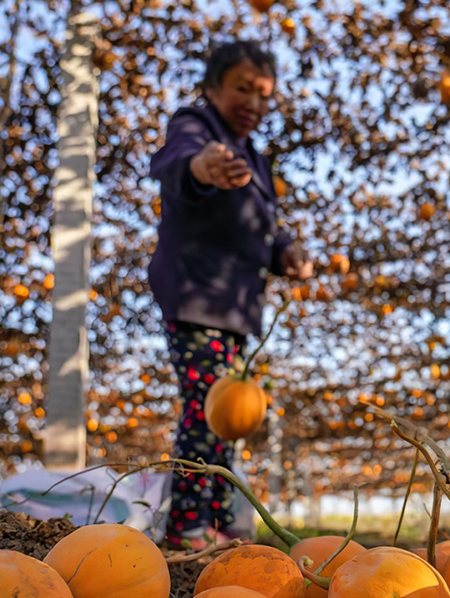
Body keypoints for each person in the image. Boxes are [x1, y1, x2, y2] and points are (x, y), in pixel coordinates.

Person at [148, 40, 312, 549]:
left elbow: (265, 227)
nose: (254, 103)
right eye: (243, 89)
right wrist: (201, 167)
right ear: (213, 87)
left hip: (237, 309)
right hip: (198, 295)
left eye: (264, 95)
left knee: (228, 415)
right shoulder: (197, 127)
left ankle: (218, 523)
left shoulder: (257, 161)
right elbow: (177, 163)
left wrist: (285, 252)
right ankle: (187, 527)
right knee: (205, 408)